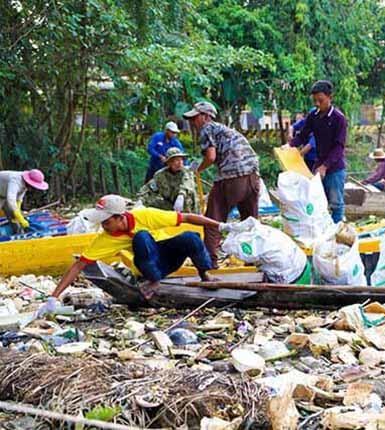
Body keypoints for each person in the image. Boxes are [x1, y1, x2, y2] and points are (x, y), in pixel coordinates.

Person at [46, 195, 220, 307]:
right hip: (147, 267)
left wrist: (222, 225)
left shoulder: (145, 215)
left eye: (106, 222)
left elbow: (187, 217)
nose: (104, 227)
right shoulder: (106, 238)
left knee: (190, 237)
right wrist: (53, 297)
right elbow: (79, 265)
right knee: (141, 238)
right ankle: (154, 281)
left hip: (168, 257)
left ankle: (205, 275)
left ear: (119, 217)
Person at [183, 101, 260, 266]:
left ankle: (209, 262)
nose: (192, 123)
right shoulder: (227, 130)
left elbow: (210, 157)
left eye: (195, 118)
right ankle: (254, 260)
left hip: (232, 177)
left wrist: (197, 169)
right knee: (251, 221)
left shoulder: (207, 128)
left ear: (206, 116)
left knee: (212, 220)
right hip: (253, 176)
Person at [288, 80, 347, 223]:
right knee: (317, 202)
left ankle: (337, 234)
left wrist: (325, 166)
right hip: (317, 165)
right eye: (314, 101)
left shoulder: (339, 119)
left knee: (336, 204)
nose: (317, 104)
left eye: (320, 100)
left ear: (330, 97)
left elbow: (339, 147)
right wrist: (289, 146)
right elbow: (302, 135)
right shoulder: (313, 116)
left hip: (334, 168)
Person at [138, 147, 199, 213]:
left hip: (188, 208)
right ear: (169, 163)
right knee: (151, 201)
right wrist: (140, 201)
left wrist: (181, 196)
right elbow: (149, 188)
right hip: (170, 206)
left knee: (185, 200)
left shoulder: (187, 171)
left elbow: (187, 184)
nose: (180, 163)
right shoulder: (160, 175)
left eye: (181, 160)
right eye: (176, 160)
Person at [0, 169, 49, 234]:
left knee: (13, 216)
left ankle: (19, 235)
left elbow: (19, 199)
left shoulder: (25, 185)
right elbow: (11, 199)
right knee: (14, 213)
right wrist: (19, 216)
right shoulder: (15, 180)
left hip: (3, 194)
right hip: (5, 195)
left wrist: (18, 212)